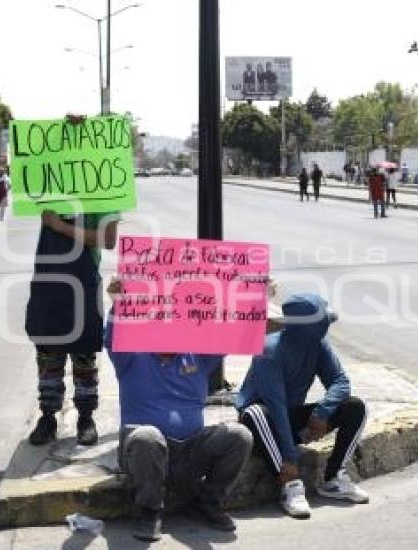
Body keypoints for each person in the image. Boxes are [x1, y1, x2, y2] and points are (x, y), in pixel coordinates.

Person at [104, 279, 253, 542]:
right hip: (144, 451)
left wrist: (255, 299)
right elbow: (114, 335)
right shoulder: (131, 355)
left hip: (190, 450)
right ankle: (150, 509)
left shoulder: (197, 355)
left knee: (239, 435)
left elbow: (234, 331)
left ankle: (207, 503)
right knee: (146, 437)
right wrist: (119, 303)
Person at [24, 116, 120, 448]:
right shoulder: (48, 182)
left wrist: (62, 228)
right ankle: (48, 417)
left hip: (82, 282)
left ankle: (86, 417)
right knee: (47, 354)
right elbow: (28, 165)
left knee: (83, 355)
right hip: (48, 281)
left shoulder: (105, 188)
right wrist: (64, 131)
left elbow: (107, 240)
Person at [236, 294, 368, 519]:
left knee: (354, 407)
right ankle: (290, 485)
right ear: (312, 327)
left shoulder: (317, 345)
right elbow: (275, 406)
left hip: (291, 417)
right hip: (265, 426)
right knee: (254, 413)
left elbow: (340, 382)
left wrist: (321, 413)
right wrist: (289, 456)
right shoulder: (270, 350)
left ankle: (334, 479)